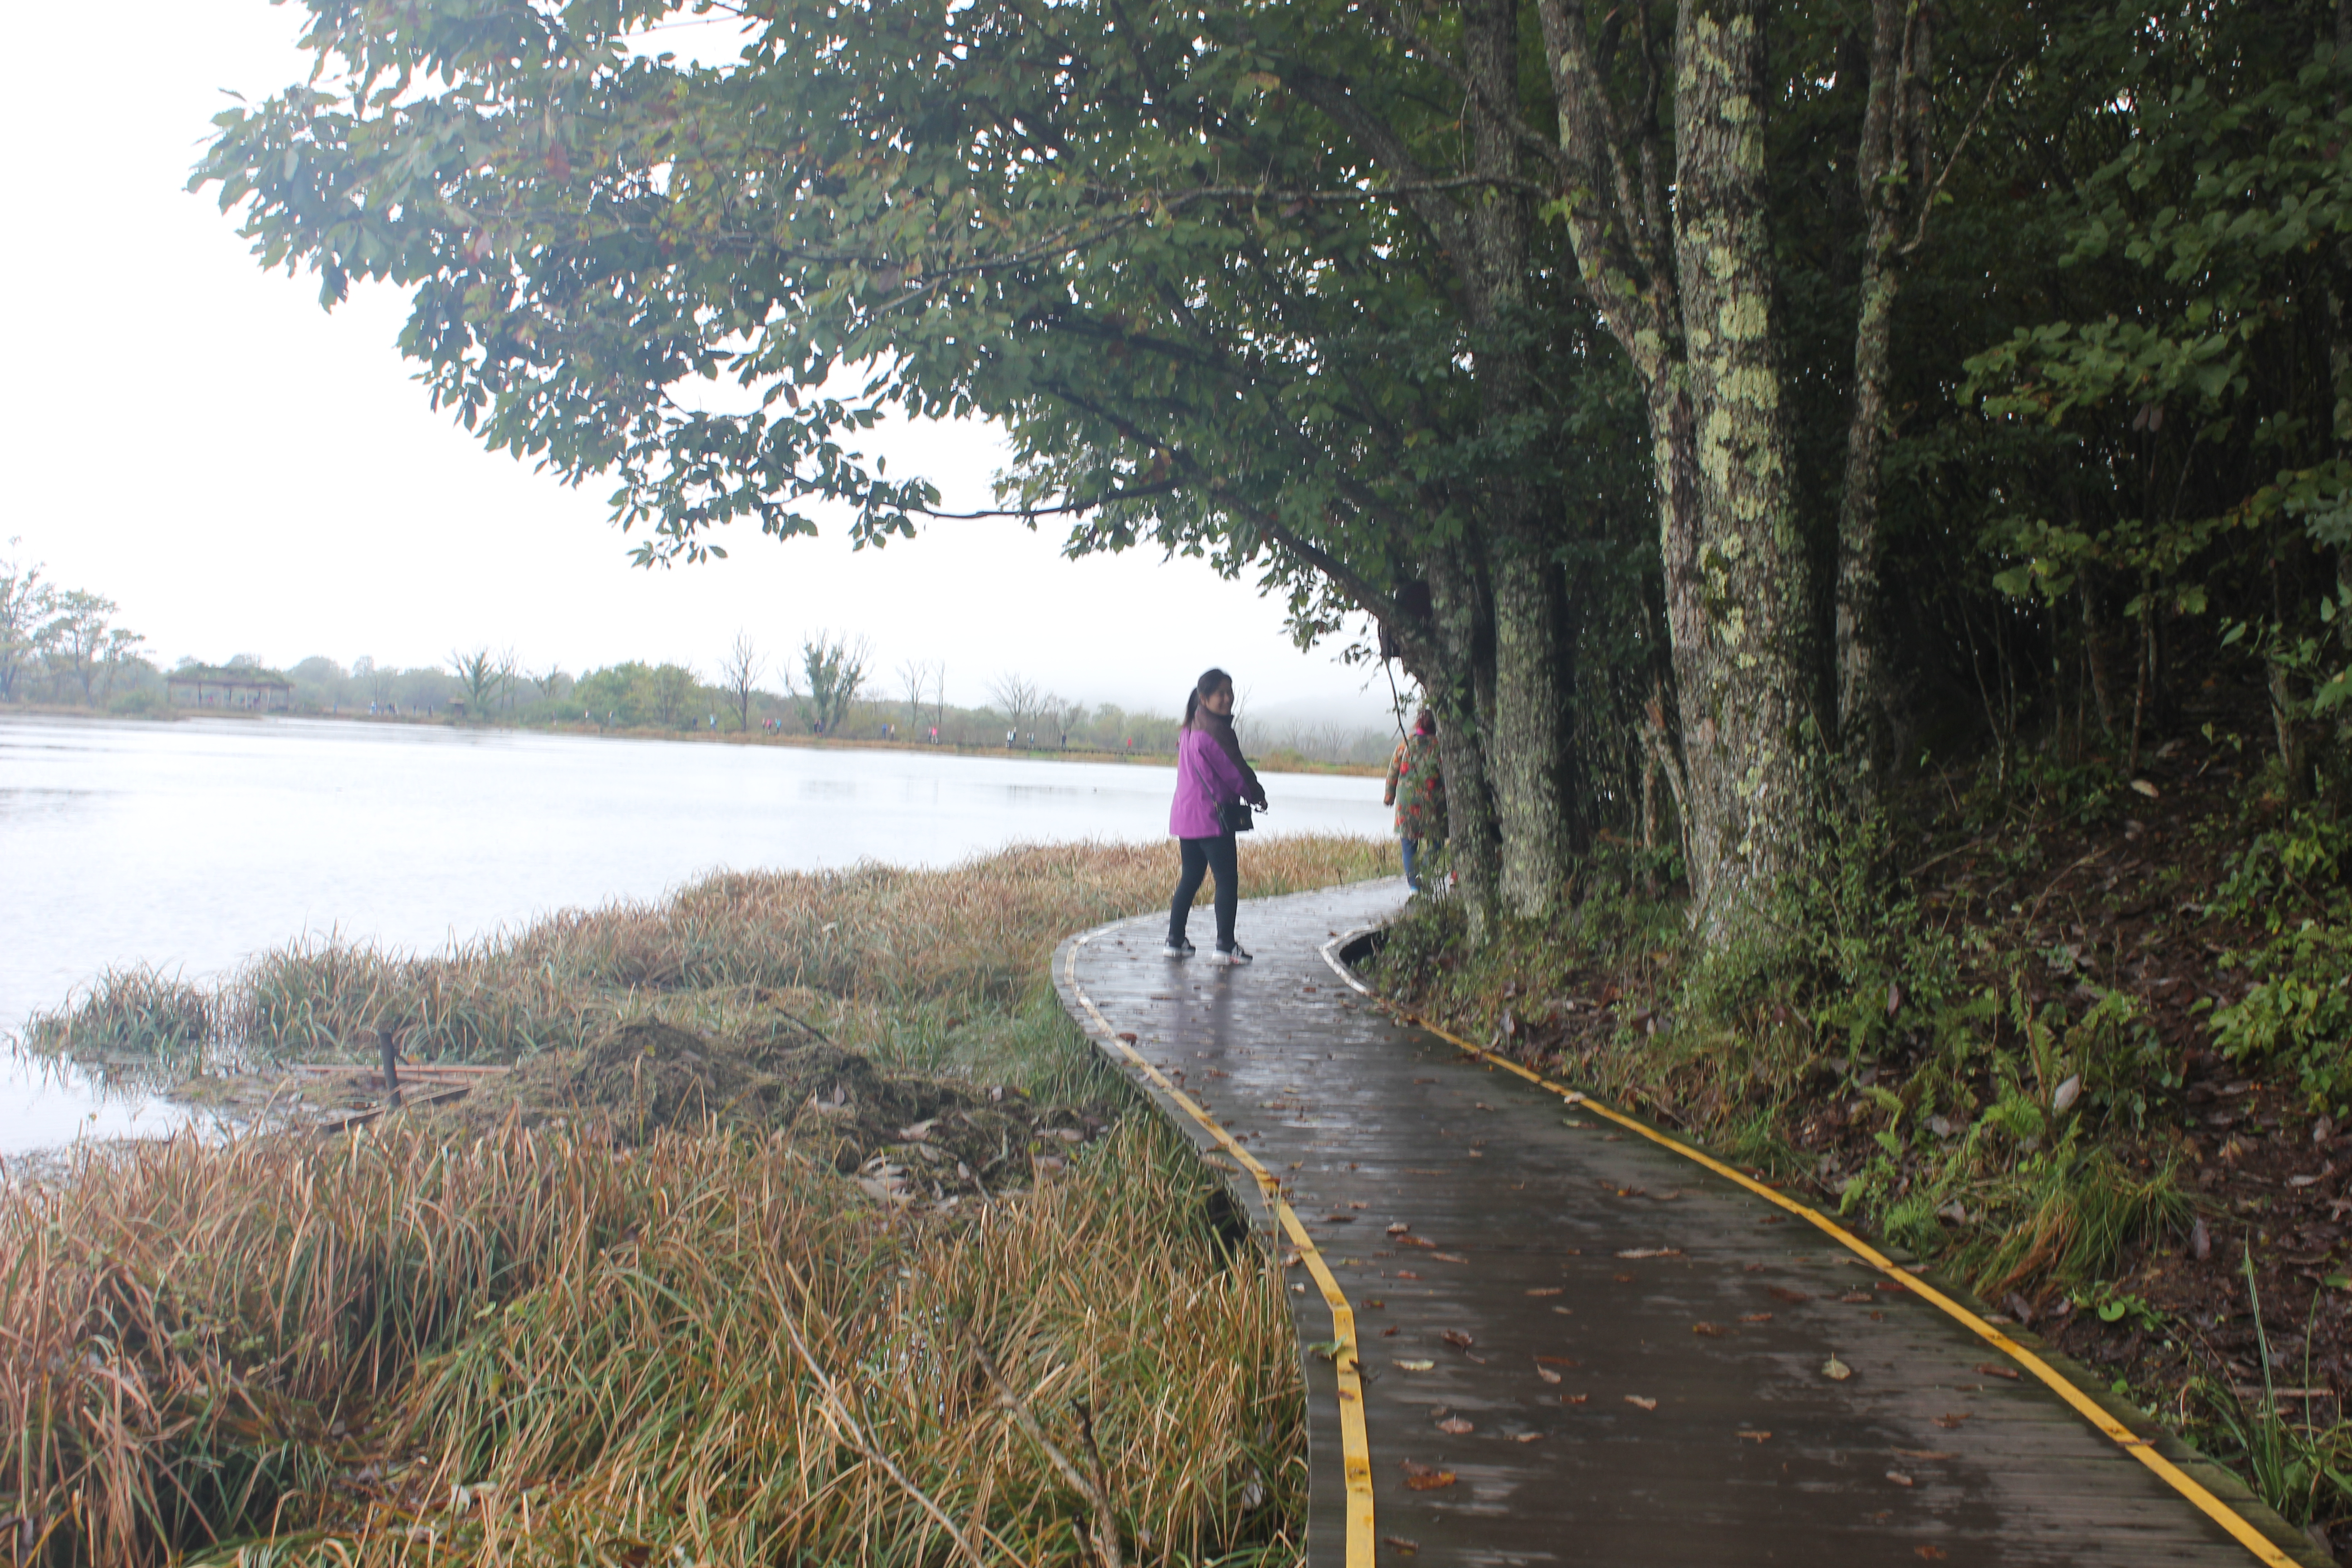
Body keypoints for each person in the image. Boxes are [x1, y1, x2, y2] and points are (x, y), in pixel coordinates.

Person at [1166, 667, 1267, 963]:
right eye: (1221, 693)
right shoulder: (1216, 732)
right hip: (1212, 819)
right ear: (1204, 698)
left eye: (1230, 692)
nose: (1227, 698)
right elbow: (1236, 772)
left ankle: (1175, 941)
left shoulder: (1188, 730)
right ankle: (1225, 947)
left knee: (1190, 878)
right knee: (1226, 881)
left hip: (1186, 819)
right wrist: (1257, 796)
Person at [1384, 707, 1447, 892]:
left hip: (1406, 803)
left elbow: (1393, 770)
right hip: (1432, 803)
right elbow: (1445, 776)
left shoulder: (1406, 743)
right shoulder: (1439, 746)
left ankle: (1414, 886)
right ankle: (1424, 873)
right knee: (1436, 842)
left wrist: (1389, 796)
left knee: (1408, 846)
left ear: (1418, 723)